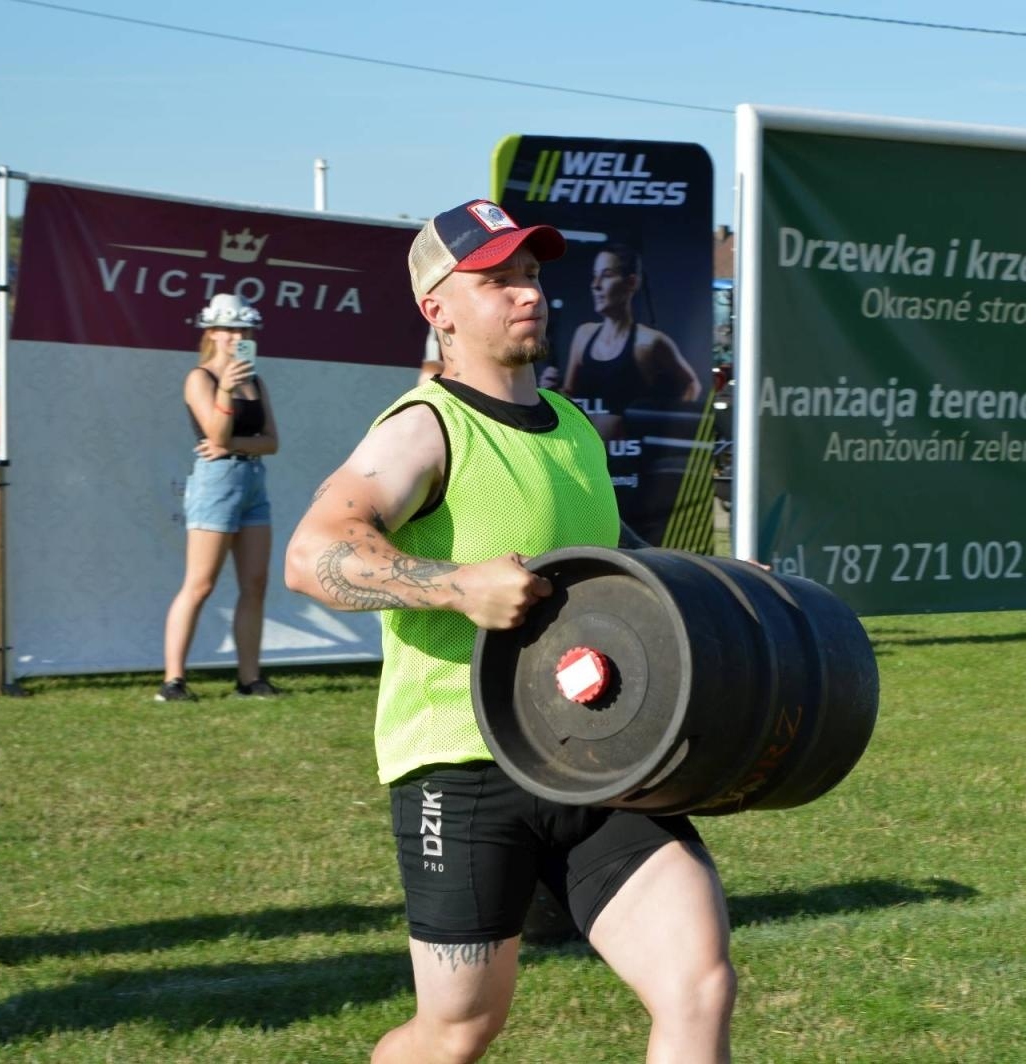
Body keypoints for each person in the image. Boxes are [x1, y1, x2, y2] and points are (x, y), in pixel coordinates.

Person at [284, 199, 735, 1064]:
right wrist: (457, 586)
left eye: (530, 275)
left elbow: (611, 559)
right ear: (438, 309)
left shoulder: (572, 426)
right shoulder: (424, 428)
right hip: (462, 771)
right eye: (496, 281)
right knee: (459, 1029)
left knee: (698, 981)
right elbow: (313, 556)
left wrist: (718, 586)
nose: (528, 293)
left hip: (596, 757)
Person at [157, 293, 282, 702]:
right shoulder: (200, 378)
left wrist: (236, 443)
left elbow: (272, 442)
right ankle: (173, 681)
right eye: (228, 329)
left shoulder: (255, 381)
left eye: (243, 329)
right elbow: (214, 434)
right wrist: (226, 391)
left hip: (253, 480)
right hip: (216, 482)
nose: (237, 336)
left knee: (255, 583)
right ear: (211, 332)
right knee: (200, 583)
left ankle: (250, 679)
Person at [558, 242, 702, 439]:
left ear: (631, 282)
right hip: (584, 451)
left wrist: (671, 429)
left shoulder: (649, 343)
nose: (596, 285)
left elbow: (691, 384)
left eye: (607, 275)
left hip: (631, 453)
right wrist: (551, 391)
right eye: (595, 275)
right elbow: (569, 394)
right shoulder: (583, 335)